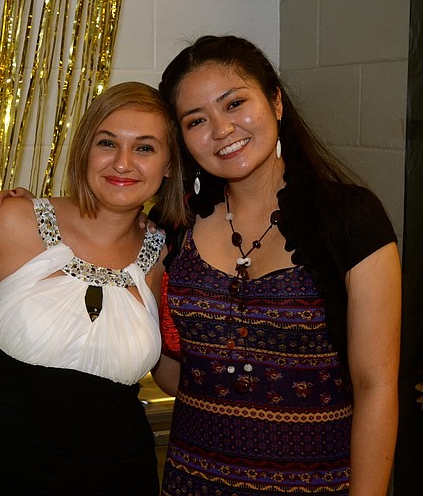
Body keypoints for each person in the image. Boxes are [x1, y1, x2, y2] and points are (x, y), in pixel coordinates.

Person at [151, 35, 401, 495]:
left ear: (276, 102)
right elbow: (171, 371)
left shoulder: (350, 218)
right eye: (196, 120)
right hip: (193, 480)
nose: (221, 129)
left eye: (234, 104)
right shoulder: (172, 225)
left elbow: (376, 387)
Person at [0, 81, 188, 495]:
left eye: (144, 148)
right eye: (108, 143)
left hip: (120, 475)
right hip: (0, 471)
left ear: (169, 166)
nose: (122, 163)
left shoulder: (167, 256)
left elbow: (173, 376)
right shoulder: (15, 221)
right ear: (85, 150)